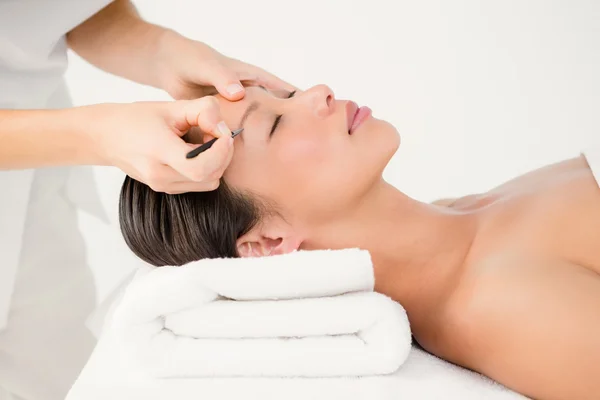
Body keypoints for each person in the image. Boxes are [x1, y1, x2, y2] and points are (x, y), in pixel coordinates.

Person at [119, 84, 600, 400]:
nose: (318, 93)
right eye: (276, 123)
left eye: (283, 94)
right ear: (266, 243)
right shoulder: (500, 307)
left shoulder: (468, 213)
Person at [0, 1, 291, 399]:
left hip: (34, 169)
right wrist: (93, 135)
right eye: (275, 124)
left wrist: (160, 51)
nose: (323, 93)